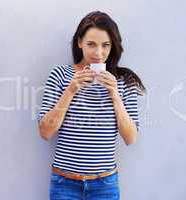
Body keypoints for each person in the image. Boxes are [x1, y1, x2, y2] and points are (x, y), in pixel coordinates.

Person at [37, 10, 145, 200]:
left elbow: (131, 138)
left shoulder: (123, 81)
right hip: (65, 183)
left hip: (105, 185)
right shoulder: (60, 75)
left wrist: (115, 95)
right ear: (79, 43)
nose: (98, 53)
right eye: (91, 44)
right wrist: (70, 90)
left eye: (105, 45)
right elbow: (45, 132)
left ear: (113, 46)